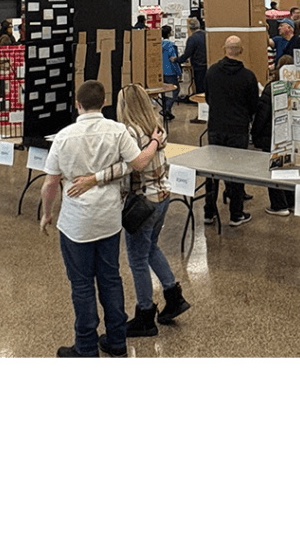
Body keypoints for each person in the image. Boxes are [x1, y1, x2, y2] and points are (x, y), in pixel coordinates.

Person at [40, 80, 164, 358]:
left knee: (82, 284)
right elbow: (139, 162)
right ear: (104, 103)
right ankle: (117, 341)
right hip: (108, 219)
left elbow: (50, 184)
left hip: (75, 223)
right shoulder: (118, 130)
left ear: (77, 104)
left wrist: (47, 214)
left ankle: (85, 346)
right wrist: (156, 141)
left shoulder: (64, 136)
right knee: (111, 278)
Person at [66, 83, 191, 337]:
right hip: (162, 196)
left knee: (136, 258)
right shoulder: (155, 128)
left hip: (142, 202)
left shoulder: (130, 132)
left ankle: (145, 314)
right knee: (151, 248)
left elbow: (129, 166)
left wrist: (94, 178)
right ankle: (173, 294)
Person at [203, 35, 259, 228]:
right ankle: (236, 214)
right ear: (241, 50)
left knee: (212, 172)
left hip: (216, 128)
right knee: (236, 173)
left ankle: (209, 212)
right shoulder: (248, 77)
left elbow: (208, 98)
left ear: (223, 48)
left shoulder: (211, 73)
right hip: (238, 130)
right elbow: (253, 106)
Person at [252, 56, 295, 215]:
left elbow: (262, 115)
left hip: (271, 136)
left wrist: (255, 134)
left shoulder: (271, 88)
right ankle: (291, 201)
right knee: (289, 168)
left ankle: (279, 205)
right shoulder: (297, 87)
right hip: (291, 136)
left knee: (274, 171)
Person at [179, 17, 207, 101]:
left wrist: (177, 60)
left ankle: (201, 104)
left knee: (200, 86)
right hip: (208, 64)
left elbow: (187, 54)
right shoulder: (206, 35)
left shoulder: (192, 38)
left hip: (198, 66)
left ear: (189, 27)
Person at [160, 25, 181, 118]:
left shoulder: (159, 44)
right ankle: (166, 109)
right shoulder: (170, 45)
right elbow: (173, 60)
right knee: (175, 90)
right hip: (170, 72)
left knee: (165, 92)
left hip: (161, 71)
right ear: (169, 33)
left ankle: (167, 112)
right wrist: (179, 72)